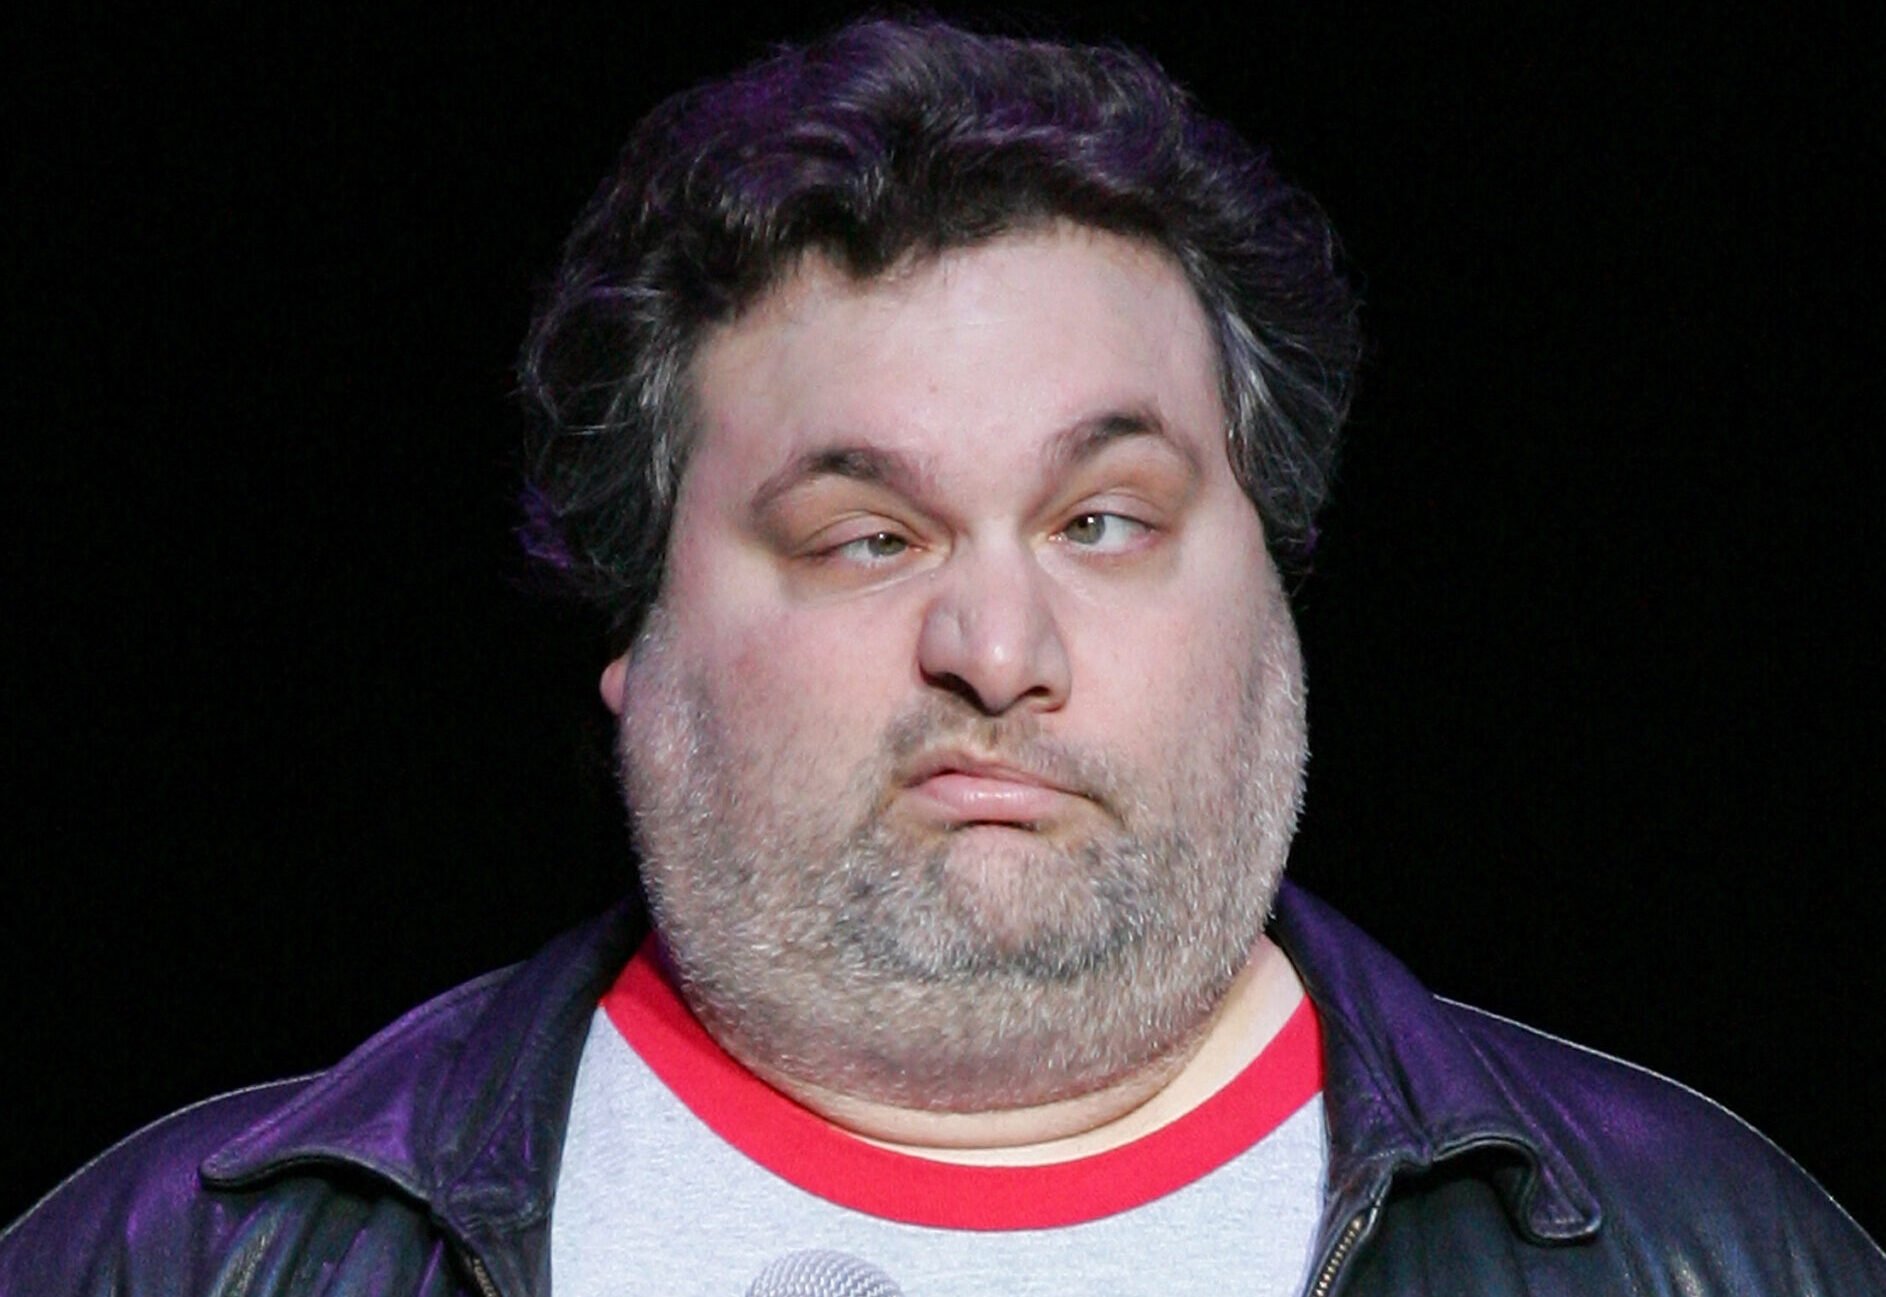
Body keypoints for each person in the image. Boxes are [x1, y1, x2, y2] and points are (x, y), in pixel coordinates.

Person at [3, 16, 1880, 1296]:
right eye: (866, 537)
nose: (995, 648)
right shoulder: (178, 1261)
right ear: (635, 641)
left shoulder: (1711, 1251)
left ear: (1275, 608)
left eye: (1102, 521)